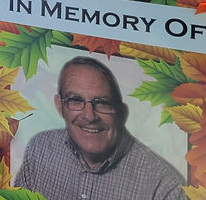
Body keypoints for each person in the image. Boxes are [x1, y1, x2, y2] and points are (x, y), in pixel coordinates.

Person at [15, 56, 185, 200]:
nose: (89, 116)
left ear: (122, 113)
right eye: (75, 100)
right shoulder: (40, 149)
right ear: (60, 106)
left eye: (103, 103)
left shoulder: (163, 186)